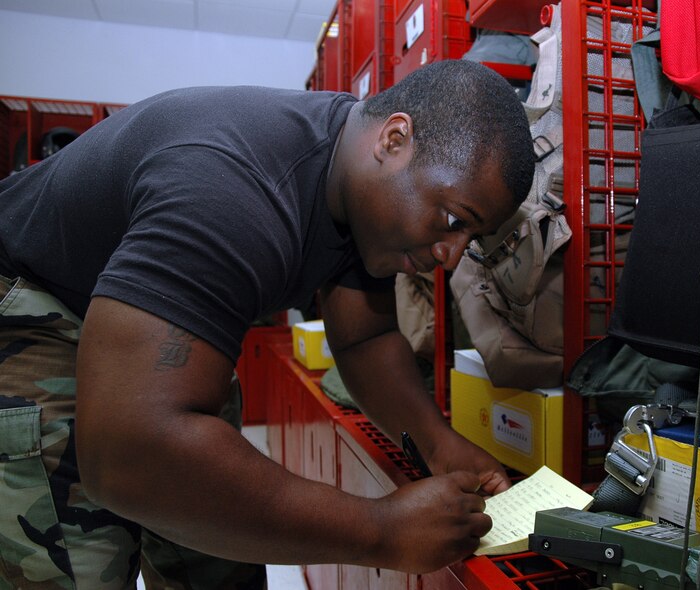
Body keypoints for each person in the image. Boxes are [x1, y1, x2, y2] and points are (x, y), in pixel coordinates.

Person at [0, 59, 535, 588]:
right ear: (394, 140)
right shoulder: (232, 189)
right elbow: (127, 453)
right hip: (35, 309)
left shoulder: (362, 189)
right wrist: (382, 530)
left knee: (217, 551)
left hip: (131, 330)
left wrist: (438, 443)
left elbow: (365, 338)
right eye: (452, 221)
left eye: (471, 238)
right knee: (84, 556)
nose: (450, 256)